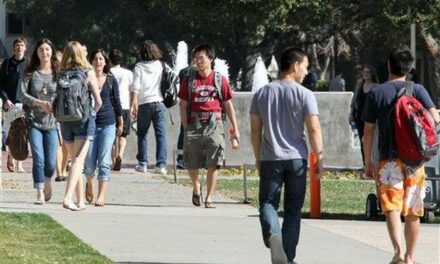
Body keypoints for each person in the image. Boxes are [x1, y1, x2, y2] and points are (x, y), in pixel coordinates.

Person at [362, 46, 440, 264]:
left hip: (388, 160)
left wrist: (368, 161)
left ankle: (397, 251)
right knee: (414, 210)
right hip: (415, 160)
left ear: (389, 65)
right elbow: (435, 118)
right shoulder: (417, 90)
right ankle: (410, 256)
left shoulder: (376, 93)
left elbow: (368, 130)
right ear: (409, 68)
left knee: (392, 208)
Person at [250, 46, 324, 264]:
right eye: (305, 67)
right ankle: (288, 257)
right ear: (294, 65)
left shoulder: (262, 93)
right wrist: (319, 157)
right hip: (296, 160)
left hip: (270, 157)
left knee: (268, 204)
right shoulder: (305, 94)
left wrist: (257, 156)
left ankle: (273, 234)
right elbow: (314, 128)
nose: (306, 72)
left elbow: (255, 129)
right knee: (293, 209)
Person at [178, 43, 240, 208]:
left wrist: (235, 128)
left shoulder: (220, 79)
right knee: (191, 163)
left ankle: (210, 197)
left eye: (202, 58)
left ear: (211, 59)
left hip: (215, 124)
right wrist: (185, 127)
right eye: (196, 58)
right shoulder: (189, 80)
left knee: (214, 162)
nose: (198, 61)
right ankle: (196, 186)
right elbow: (183, 105)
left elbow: (228, 104)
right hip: (194, 124)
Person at [59, 41, 102, 211]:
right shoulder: (87, 72)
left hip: (65, 122)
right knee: (78, 161)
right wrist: (92, 114)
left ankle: (81, 201)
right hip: (83, 121)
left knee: (75, 162)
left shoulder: (62, 73)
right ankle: (68, 198)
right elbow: (98, 101)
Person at [17, 38, 60, 205]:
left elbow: (63, 94)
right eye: (41, 50)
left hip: (52, 123)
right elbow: (21, 94)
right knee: (38, 158)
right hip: (34, 121)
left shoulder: (58, 73)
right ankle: (40, 192)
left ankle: (48, 181)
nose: (45, 53)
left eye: (47, 49)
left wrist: (54, 104)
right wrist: (39, 103)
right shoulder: (30, 73)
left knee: (50, 163)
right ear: (37, 52)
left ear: (52, 52)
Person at [84, 49, 123, 207]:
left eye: (101, 59)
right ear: (91, 62)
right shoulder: (86, 78)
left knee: (104, 161)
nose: (98, 62)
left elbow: (117, 102)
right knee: (89, 163)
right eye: (95, 59)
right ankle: (89, 183)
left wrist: (120, 122)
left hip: (108, 123)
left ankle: (101, 196)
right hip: (90, 124)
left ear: (105, 62)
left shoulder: (111, 80)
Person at [130, 40, 169, 174]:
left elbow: (135, 87)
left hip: (143, 104)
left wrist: (133, 105)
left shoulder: (138, 67)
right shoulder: (161, 65)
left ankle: (143, 164)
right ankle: (161, 165)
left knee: (142, 134)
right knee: (161, 135)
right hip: (159, 102)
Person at [0, 37, 28, 173]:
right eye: (17, 45)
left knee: (22, 133)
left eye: (21, 45)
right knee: (9, 133)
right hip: (10, 103)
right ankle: (11, 156)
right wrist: (5, 99)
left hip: (24, 104)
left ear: (25, 48)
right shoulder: (6, 63)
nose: (19, 48)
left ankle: (20, 163)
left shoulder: (29, 64)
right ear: (13, 48)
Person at [349, 65, 379, 166]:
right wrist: (351, 114)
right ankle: (365, 165)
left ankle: (373, 163)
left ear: (372, 74)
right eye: (364, 72)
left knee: (372, 141)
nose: (365, 74)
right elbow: (354, 101)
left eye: (368, 72)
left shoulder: (376, 86)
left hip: (372, 118)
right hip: (360, 117)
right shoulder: (359, 85)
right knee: (363, 141)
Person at [109, 49, 133, 171]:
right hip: (125, 106)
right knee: (123, 134)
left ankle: (114, 162)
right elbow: (131, 90)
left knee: (112, 137)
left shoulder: (108, 72)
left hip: (111, 107)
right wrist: (133, 105)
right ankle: (120, 155)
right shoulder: (128, 73)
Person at [176, 64, 197, 169]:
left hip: (185, 104)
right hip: (196, 105)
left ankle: (181, 158)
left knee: (183, 131)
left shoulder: (183, 71)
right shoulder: (201, 71)